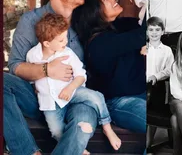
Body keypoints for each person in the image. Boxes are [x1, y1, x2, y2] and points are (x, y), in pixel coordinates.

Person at [4, 0, 99, 155]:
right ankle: (28, 152)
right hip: (41, 100)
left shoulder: (85, 19)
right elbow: (15, 66)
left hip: (76, 97)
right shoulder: (31, 21)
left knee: (82, 126)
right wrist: (46, 70)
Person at [26, 13, 121, 152]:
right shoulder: (33, 55)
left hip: (73, 91)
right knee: (55, 131)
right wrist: (35, 87)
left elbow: (81, 75)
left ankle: (107, 128)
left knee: (96, 97)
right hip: (50, 102)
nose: (65, 42)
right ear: (46, 43)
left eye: (66, 37)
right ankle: (78, 148)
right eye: (61, 40)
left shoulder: (68, 53)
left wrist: (70, 88)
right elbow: (31, 76)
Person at [71, 0, 147, 154]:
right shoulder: (97, 43)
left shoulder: (119, 26)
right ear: (94, 12)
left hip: (142, 93)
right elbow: (144, 34)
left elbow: (148, 27)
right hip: (119, 103)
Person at [145, 16, 174, 146]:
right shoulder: (143, 48)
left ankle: (148, 142)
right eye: (151, 30)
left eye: (157, 29)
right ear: (146, 32)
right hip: (142, 86)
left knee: (154, 114)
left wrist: (156, 76)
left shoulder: (167, 50)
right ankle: (143, 141)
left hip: (158, 85)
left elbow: (170, 69)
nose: (154, 33)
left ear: (163, 31)